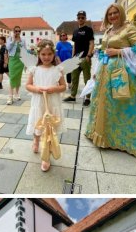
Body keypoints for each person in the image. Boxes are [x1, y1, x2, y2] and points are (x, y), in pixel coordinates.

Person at [84, 3, 136, 158]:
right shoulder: (108, 30)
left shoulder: (130, 29)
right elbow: (102, 50)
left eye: (115, 13)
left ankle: (125, 140)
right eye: (110, 14)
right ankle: (102, 134)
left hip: (123, 72)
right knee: (105, 103)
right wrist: (98, 68)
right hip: (105, 72)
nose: (113, 16)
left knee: (122, 102)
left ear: (121, 13)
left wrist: (118, 51)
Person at [25, 39, 67, 172]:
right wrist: (36, 89)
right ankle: (36, 140)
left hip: (52, 103)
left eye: (49, 54)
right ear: (39, 55)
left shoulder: (58, 69)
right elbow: (28, 85)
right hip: (39, 102)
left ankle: (46, 156)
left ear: (53, 54)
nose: (46, 57)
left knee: (49, 129)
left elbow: (63, 86)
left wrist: (54, 89)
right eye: (43, 54)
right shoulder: (34, 70)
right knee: (38, 123)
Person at [64, 10, 95, 106]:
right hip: (76, 59)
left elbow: (91, 43)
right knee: (74, 78)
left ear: (85, 18)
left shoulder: (88, 29)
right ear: (77, 19)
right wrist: (72, 57)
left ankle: (87, 97)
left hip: (85, 57)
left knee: (87, 78)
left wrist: (89, 55)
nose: (80, 19)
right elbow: (75, 45)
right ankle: (73, 96)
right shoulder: (75, 31)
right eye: (79, 17)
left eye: (82, 17)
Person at [6, 26, 25, 105]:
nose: (17, 33)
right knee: (12, 77)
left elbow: (25, 50)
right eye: (15, 31)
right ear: (13, 31)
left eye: (19, 31)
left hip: (20, 60)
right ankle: (10, 97)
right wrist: (13, 40)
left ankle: (17, 94)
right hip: (13, 59)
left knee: (18, 77)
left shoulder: (23, 40)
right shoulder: (10, 39)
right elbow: (8, 48)